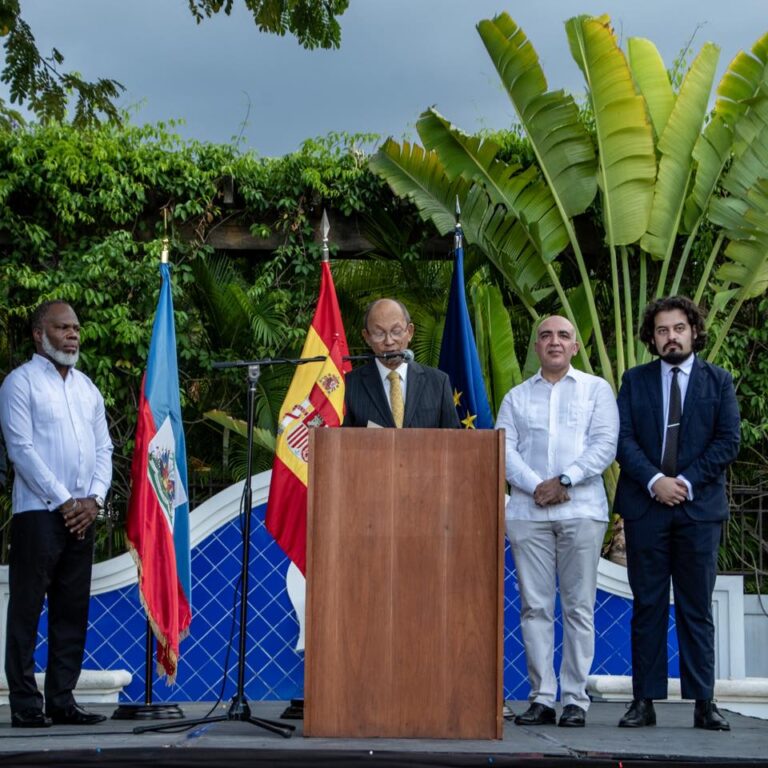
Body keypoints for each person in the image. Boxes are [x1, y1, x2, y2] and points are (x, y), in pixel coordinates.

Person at [615, 296, 740, 731]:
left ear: (693, 331)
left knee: (696, 608)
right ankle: (643, 701)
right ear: (652, 337)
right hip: (646, 509)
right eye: (663, 330)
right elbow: (623, 439)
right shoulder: (635, 381)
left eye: (679, 328)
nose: (672, 337)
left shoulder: (719, 381)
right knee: (647, 606)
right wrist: (655, 482)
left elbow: (728, 441)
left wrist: (683, 482)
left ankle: (704, 703)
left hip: (699, 511)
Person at [495, 315, 618, 728]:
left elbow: (605, 444)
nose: (554, 342)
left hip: (581, 510)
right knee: (535, 607)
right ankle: (543, 696)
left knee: (579, 607)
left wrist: (566, 480)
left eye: (563, 335)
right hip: (529, 513)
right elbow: (504, 449)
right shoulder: (515, 397)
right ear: (536, 347)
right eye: (545, 335)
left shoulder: (596, 391)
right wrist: (537, 486)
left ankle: (575, 700)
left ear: (575, 346)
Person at [0, 300, 113, 728]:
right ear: (39, 335)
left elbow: (104, 449)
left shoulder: (87, 388)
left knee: (71, 611)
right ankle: (26, 706)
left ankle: (62, 700)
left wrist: (94, 500)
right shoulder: (19, 384)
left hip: (82, 515)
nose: (73, 335)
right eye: (63, 328)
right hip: (39, 515)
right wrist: (65, 499)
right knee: (27, 610)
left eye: (76, 328)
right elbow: (21, 451)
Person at [343, 298, 460, 429]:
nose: (389, 341)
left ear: (409, 332)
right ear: (367, 337)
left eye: (396, 331)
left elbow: (453, 440)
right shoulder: (349, 385)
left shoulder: (438, 382)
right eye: (379, 333)